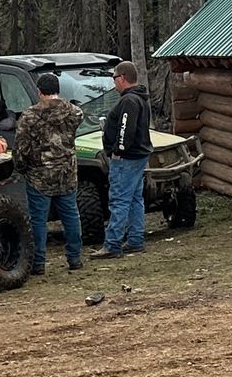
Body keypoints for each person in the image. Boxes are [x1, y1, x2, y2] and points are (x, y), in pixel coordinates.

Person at [15, 73, 85, 274]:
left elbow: (21, 147)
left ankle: (38, 263)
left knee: (38, 220)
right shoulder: (74, 112)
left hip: (39, 174)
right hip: (67, 172)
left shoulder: (30, 116)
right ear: (58, 90)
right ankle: (74, 258)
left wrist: (21, 167)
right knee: (71, 215)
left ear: (39, 91)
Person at [94, 61, 151, 260]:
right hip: (138, 155)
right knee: (135, 198)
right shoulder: (140, 98)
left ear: (122, 78)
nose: (113, 83)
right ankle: (135, 239)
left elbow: (126, 128)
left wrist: (118, 150)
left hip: (126, 158)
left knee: (119, 199)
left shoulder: (128, 101)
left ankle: (112, 244)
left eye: (114, 78)